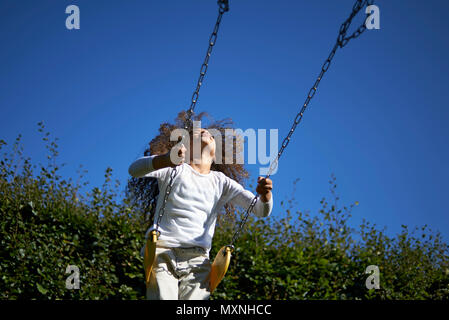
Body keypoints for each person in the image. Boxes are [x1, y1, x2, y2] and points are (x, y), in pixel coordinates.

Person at [128, 119, 274, 300]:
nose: (206, 133)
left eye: (211, 135)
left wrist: (266, 196)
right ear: (184, 146)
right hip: (163, 250)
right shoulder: (174, 169)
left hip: (198, 260)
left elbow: (260, 210)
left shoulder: (221, 182)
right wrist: (166, 160)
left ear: (216, 155)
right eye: (199, 132)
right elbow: (134, 170)